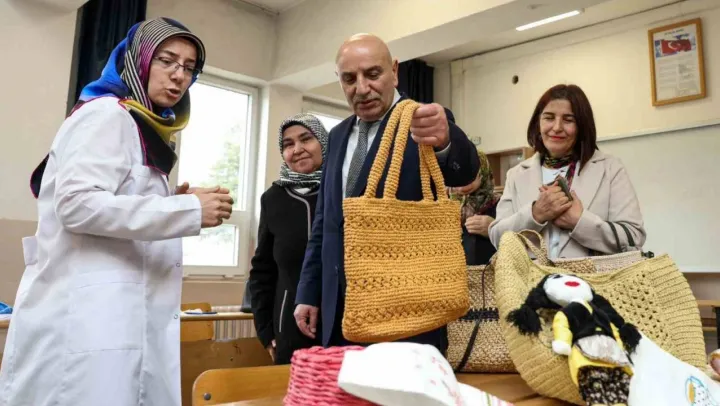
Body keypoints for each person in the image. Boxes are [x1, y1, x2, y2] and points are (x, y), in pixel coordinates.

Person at [0, 18, 232, 406]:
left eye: (189, 68)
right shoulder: (106, 114)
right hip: (87, 324)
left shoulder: (138, 123)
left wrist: (173, 200)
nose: (179, 76)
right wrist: (185, 210)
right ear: (138, 61)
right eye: (166, 60)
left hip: (113, 320)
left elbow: (111, 199)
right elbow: (77, 205)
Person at [293, 33, 480, 354]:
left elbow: (464, 172)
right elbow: (325, 222)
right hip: (339, 312)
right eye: (349, 79)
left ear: (394, 71)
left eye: (373, 74)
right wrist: (308, 292)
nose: (361, 88)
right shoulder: (336, 136)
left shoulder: (422, 120)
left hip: (407, 312)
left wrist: (446, 140)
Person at [488, 84, 645, 258]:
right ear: (538, 123)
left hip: (592, 275)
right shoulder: (516, 175)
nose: (557, 127)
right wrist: (535, 214)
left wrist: (579, 222)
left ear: (582, 126)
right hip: (530, 276)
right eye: (549, 118)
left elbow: (634, 237)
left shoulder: (610, 168)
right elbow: (497, 238)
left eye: (568, 120)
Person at [247, 113, 327, 365]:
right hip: (289, 329)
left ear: (324, 143)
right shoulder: (273, 198)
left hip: (341, 325)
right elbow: (262, 271)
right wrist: (266, 332)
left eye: (306, 139)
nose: (298, 149)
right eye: (288, 144)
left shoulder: (344, 190)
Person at [448, 146, 500, 265]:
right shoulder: (443, 204)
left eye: (468, 175)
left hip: (488, 273)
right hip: (449, 273)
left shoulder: (501, 204)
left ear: (483, 172)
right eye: (455, 176)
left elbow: (516, 240)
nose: (461, 185)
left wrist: (493, 229)